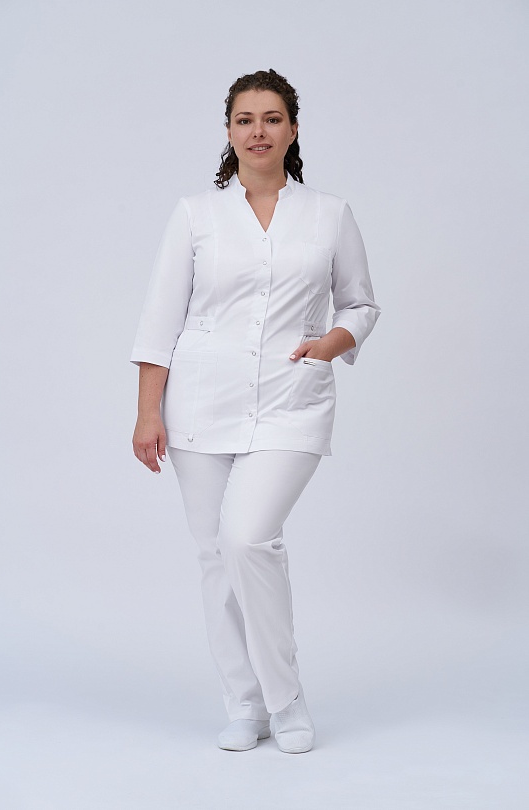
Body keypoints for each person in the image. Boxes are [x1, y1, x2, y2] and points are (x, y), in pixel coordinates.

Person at [130, 68, 380, 754]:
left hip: (291, 401)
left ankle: (286, 698)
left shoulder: (329, 214)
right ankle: (244, 703)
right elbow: (160, 320)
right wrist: (148, 412)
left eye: (272, 118)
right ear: (229, 131)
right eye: (245, 119)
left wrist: (332, 342)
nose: (258, 131)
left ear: (293, 130)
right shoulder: (195, 215)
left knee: (248, 538)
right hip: (200, 403)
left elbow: (361, 303)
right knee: (216, 556)